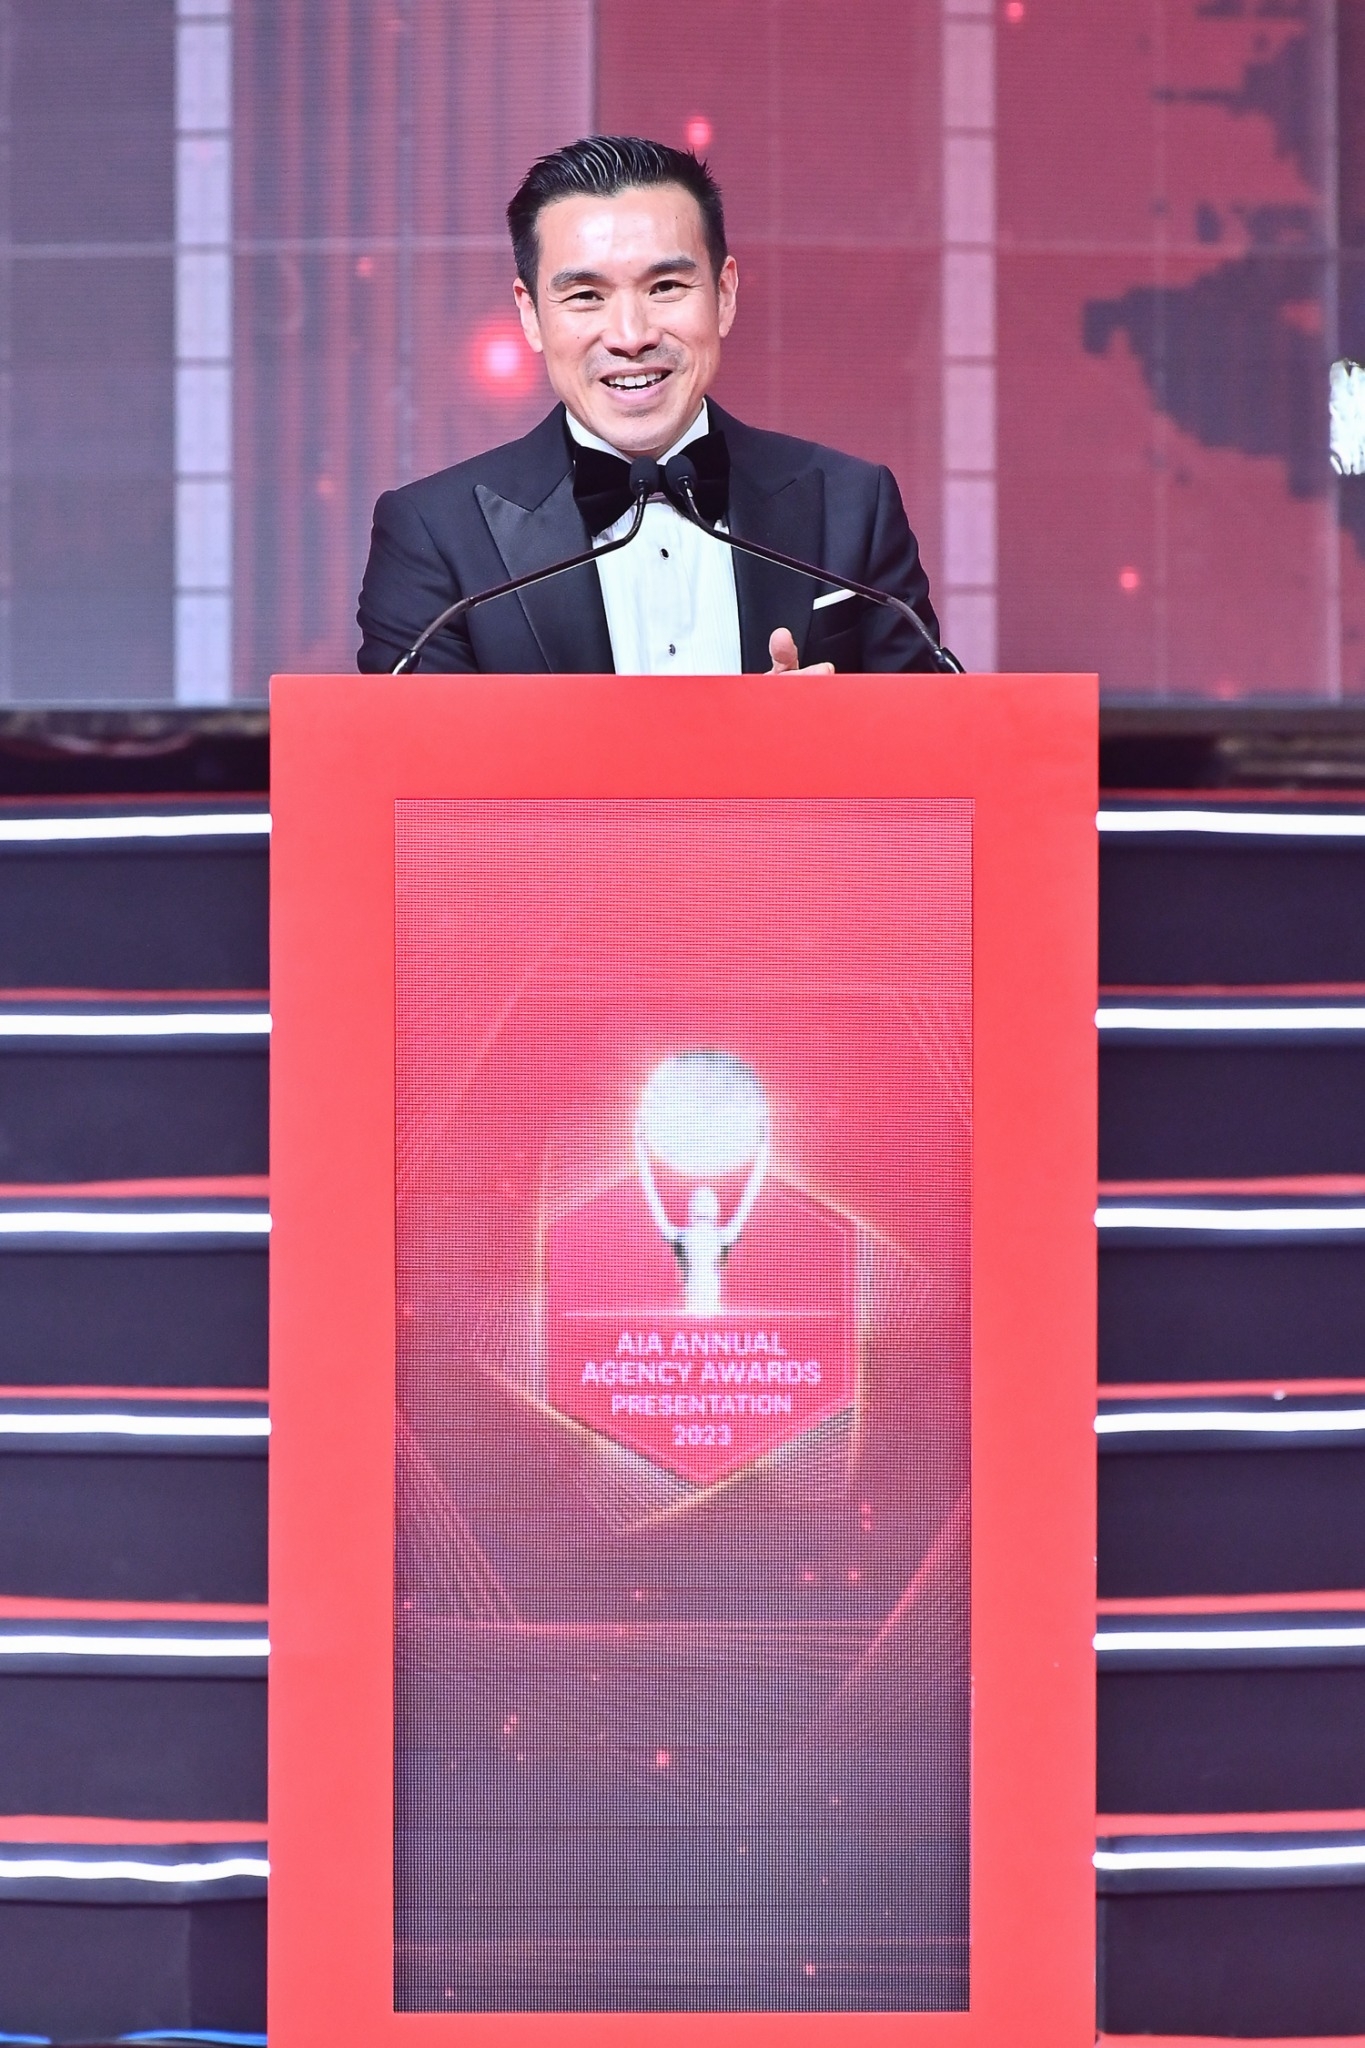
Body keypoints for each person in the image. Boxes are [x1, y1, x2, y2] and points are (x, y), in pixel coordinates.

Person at [357, 134, 943, 677]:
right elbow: (418, 758)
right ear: (530, 314)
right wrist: (756, 744)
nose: (631, 336)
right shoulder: (434, 535)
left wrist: (832, 737)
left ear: (724, 294)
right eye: (586, 296)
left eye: (665, 287)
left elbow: (930, 742)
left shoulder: (853, 505)